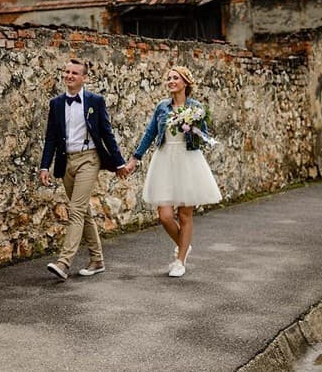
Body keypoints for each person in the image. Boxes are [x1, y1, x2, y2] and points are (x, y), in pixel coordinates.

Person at [124, 65, 221, 277]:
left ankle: (180, 260)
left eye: (175, 78)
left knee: (185, 214)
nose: (171, 81)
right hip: (165, 159)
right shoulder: (162, 107)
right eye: (168, 78)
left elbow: (203, 136)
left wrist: (192, 126)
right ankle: (184, 245)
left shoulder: (196, 108)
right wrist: (135, 159)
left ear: (185, 82)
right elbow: (150, 133)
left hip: (188, 159)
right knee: (165, 215)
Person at [39, 58, 129, 280]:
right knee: (83, 211)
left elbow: (106, 133)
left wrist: (118, 162)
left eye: (74, 73)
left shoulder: (95, 101)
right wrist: (44, 166)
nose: (69, 76)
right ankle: (97, 260)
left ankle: (64, 262)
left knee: (76, 210)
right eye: (66, 72)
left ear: (84, 77)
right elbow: (50, 137)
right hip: (66, 161)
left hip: (89, 159)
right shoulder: (56, 103)